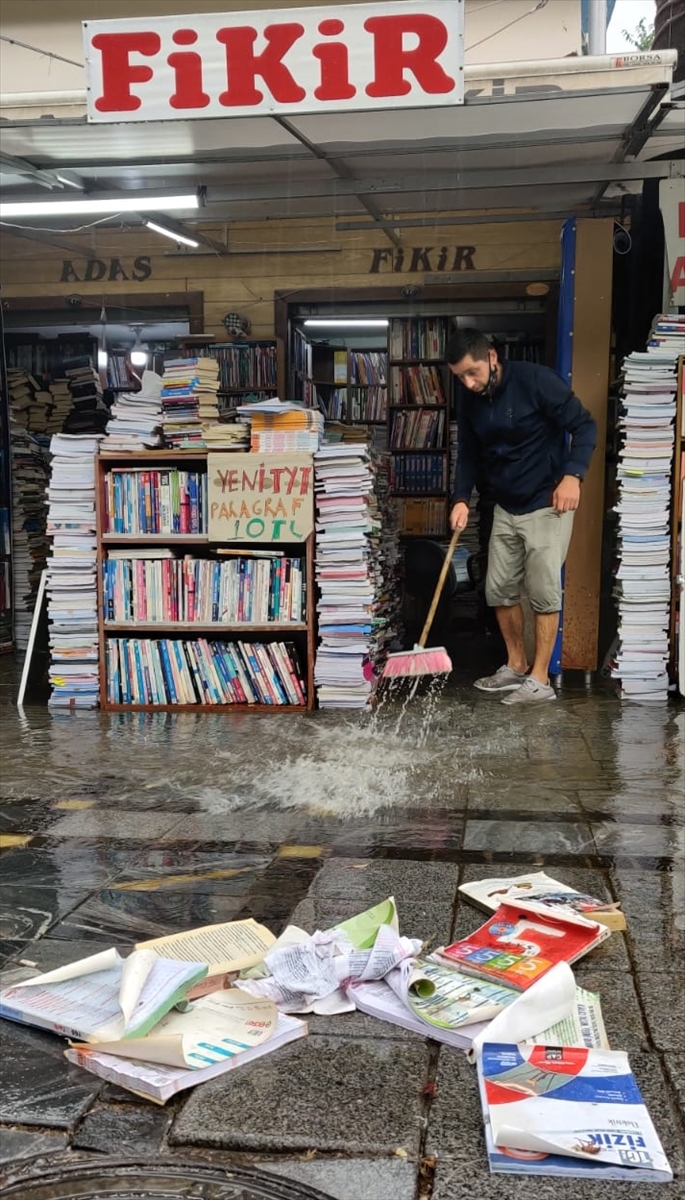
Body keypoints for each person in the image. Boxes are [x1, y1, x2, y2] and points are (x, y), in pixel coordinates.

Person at [447, 327, 597, 705]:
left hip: (548, 501)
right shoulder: (470, 400)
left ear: (492, 357)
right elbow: (467, 453)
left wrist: (572, 475)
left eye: (473, 373)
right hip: (504, 504)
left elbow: (585, 426)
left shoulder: (535, 381)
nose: (468, 383)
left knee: (544, 592)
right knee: (498, 588)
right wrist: (461, 498)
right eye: (460, 377)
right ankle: (516, 665)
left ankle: (541, 679)